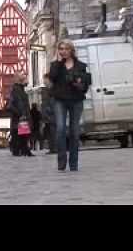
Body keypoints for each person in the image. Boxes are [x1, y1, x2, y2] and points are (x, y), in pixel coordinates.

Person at [49, 39, 90, 171]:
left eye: (66, 49)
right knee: (60, 129)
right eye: (61, 49)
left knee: (74, 131)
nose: (63, 51)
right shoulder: (56, 65)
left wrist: (79, 84)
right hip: (59, 100)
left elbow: (85, 87)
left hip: (76, 100)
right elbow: (53, 77)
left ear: (71, 50)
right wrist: (57, 61)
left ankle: (73, 163)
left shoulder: (81, 66)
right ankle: (61, 162)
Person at [6, 72, 34, 157]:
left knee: (23, 135)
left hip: (22, 117)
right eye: (25, 78)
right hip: (19, 118)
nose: (27, 80)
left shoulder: (20, 90)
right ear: (20, 80)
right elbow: (10, 106)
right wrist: (20, 113)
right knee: (19, 135)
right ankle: (19, 150)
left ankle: (24, 150)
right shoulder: (16, 90)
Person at [42, 73, 57, 154]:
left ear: (49, 79)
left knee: (53, 132)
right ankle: (52, 148)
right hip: (49, 115)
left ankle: (55, 148)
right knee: (50, 133)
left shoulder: (53, 90)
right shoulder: (47, 90)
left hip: (52, 115)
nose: (43, 81)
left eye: (44, 79)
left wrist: (49, 111)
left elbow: (52, 103)